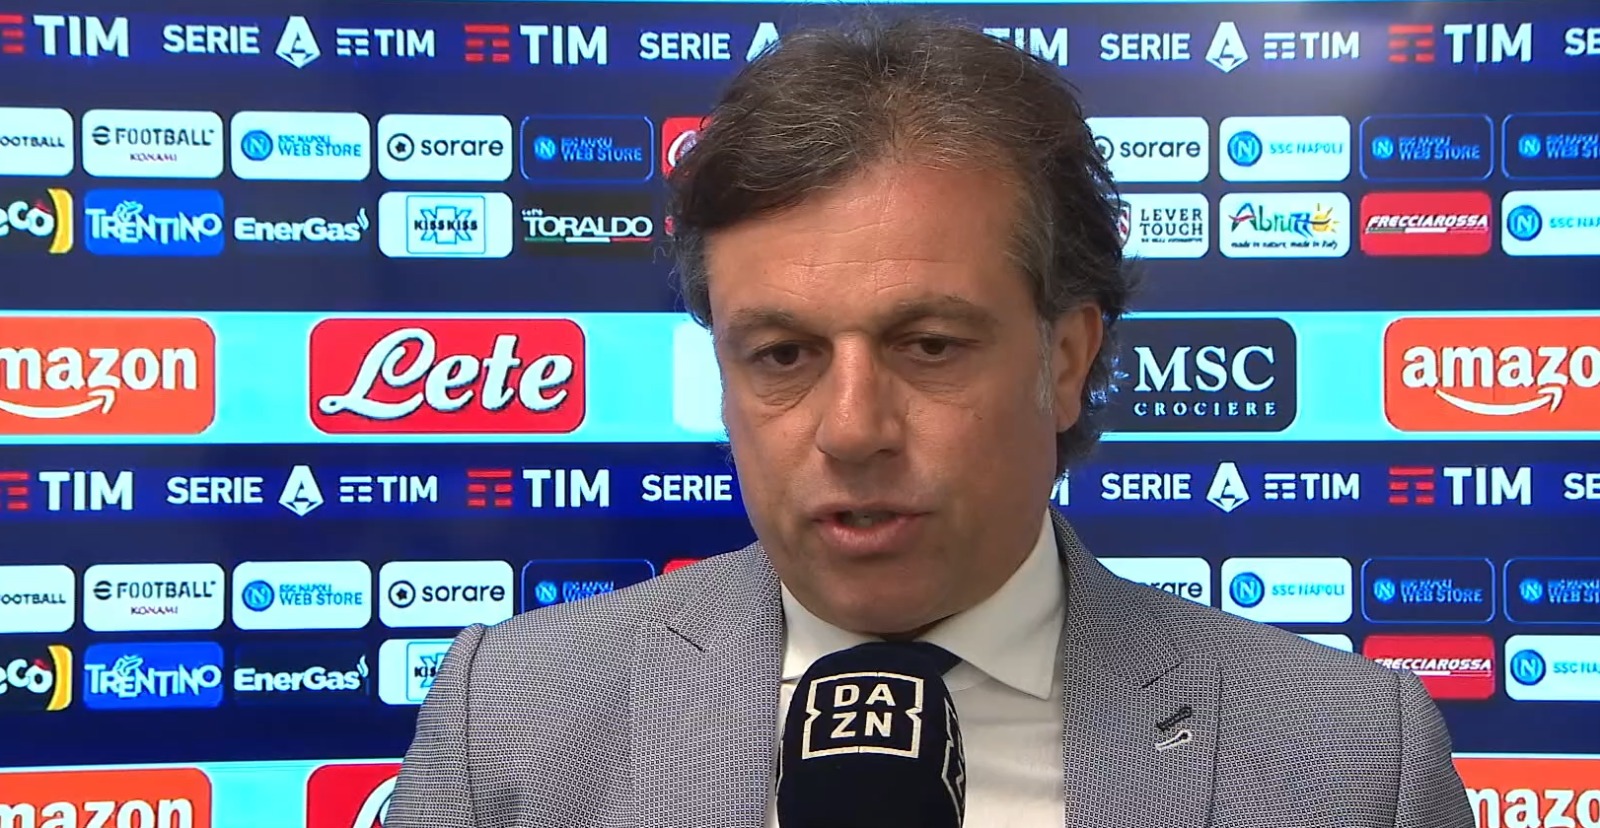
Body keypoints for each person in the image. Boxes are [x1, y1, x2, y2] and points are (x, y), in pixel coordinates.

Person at [388, 16, 1475, 828]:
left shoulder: (1350, 761)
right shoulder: (513, 728)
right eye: (783, 355)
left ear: (1063, 359)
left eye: (929, 345)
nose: (852, 428)